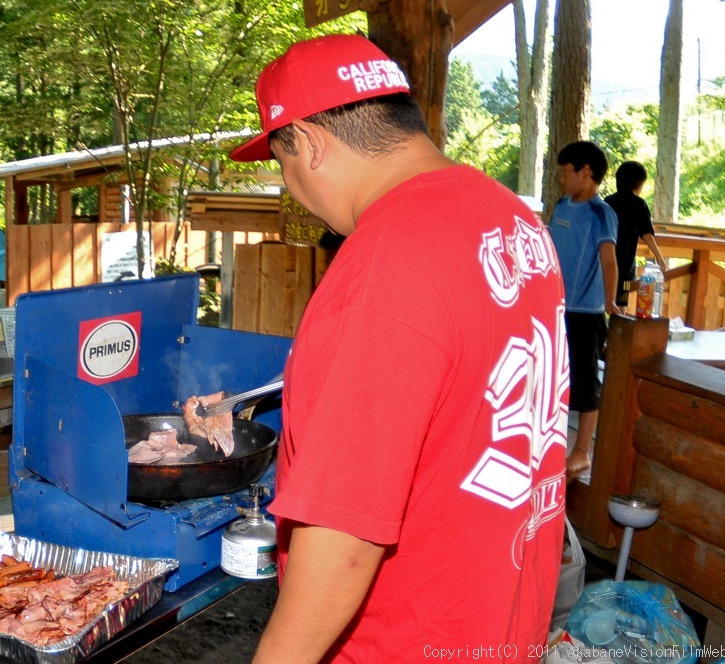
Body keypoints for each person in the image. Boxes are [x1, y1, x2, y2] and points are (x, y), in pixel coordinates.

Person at [230, 34, 569, 663]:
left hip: (406, 637)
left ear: (308, 142)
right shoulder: (510, 217)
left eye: (282, 163)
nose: (291, 186)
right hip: (498, 616)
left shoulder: (384, 263)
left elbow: (344, 537)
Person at [545, 141, 620, 483]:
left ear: (585, 172)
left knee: (586, 381)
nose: (562, 178)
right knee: (553, 375)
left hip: (586, 312)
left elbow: (608, 259)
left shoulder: (601, 213)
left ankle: (582, 451)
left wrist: (610, 301)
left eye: (566, 171)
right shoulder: (561, 205)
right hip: (554, 305)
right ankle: (550, 440)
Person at [604, 161, 666, 312]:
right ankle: (619, 325)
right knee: (621, 300)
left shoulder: (607, 202)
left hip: (603, 262)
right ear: (639, 184)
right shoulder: (639, 204)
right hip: (625, 266)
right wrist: (659, 257)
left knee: (603, 299)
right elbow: (646, 233)